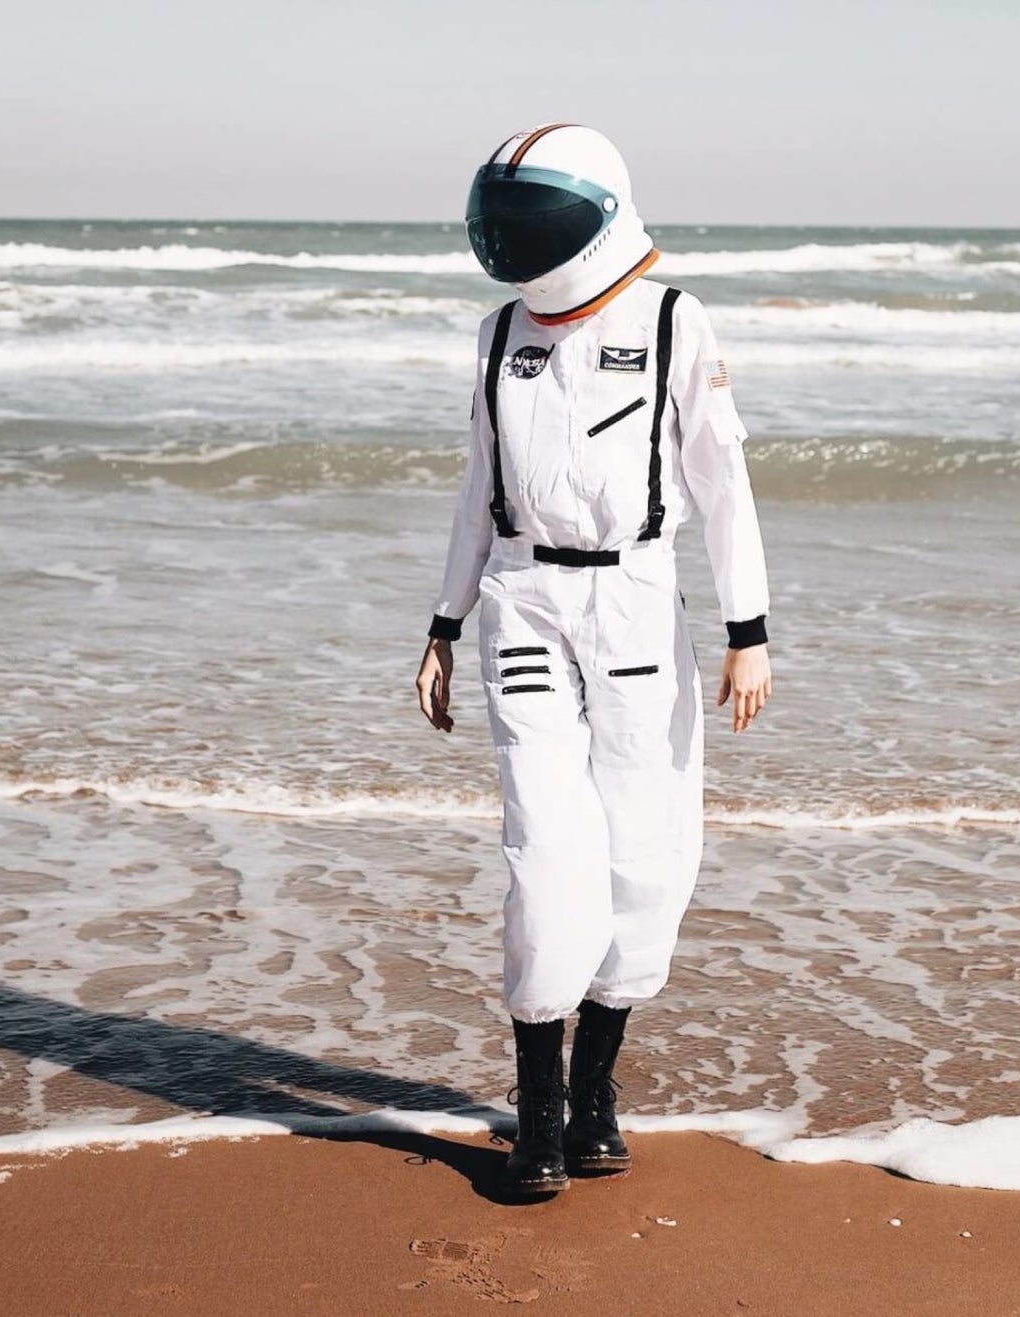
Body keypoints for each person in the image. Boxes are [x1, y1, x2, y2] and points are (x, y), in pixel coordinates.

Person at [414, 123, 773, 1195]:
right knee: (544, 851)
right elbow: (478, 490)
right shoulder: (495, 334)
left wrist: (745, 629)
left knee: (643, 853)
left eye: (534, 222)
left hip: (633, 604)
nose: (515, 241)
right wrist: (441, 623)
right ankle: (534, 1119)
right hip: (518, 602)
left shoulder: (672, 319)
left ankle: (596, 1099)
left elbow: (721, 483)